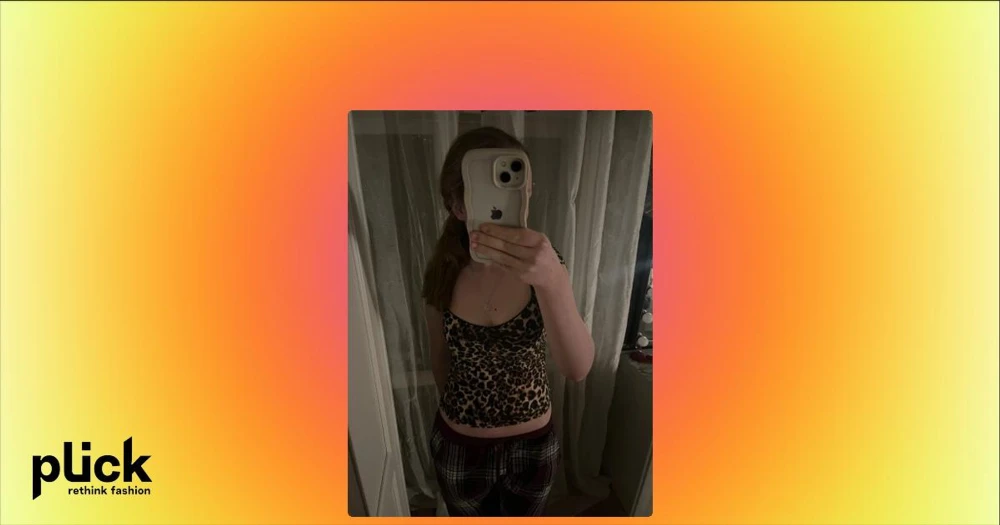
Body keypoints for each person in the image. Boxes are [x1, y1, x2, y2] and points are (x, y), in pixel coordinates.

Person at [422, 127, 595, 517]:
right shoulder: (441, 273)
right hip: (459, 446)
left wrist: (553, 281)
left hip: (533, 447)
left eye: (519, 187)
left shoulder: (546, 267)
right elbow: (439, 359)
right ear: (457, 205)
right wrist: (466, 417)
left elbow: (577, 369)